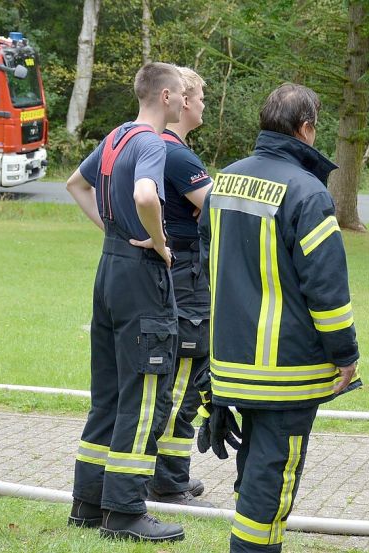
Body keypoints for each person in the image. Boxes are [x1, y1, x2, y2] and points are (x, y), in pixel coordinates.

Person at [198, 83, 360, 553]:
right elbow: (327, 293)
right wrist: (346, 355)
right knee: (272, 484)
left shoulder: (223, 181)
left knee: (255, 476)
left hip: (230, 363)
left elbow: (210, 272)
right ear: (306, 128)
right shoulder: (308, 193)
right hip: (285, 373)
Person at [65, 62, 187, 542]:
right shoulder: (151, 142)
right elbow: (145, 193)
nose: (183, 100)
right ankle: (125, 511)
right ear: (163, 95)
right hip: (141, 279)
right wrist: (157, 240)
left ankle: (88, 503)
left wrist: (113, 231)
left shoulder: (116, 136)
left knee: (110, 393)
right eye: (180, 93)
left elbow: (77, 184)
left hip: (109, 270)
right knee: (143, 395)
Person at [145, 66, 215, 508]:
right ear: (184, 101)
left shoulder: (163, 148)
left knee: (180, 375)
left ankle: (169, 474)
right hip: (186, 277)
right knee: (186, 374)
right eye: (203, 97)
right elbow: (220, 210)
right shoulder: (177, 155)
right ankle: (168, 479)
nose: (205, 105)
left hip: (180, 273)